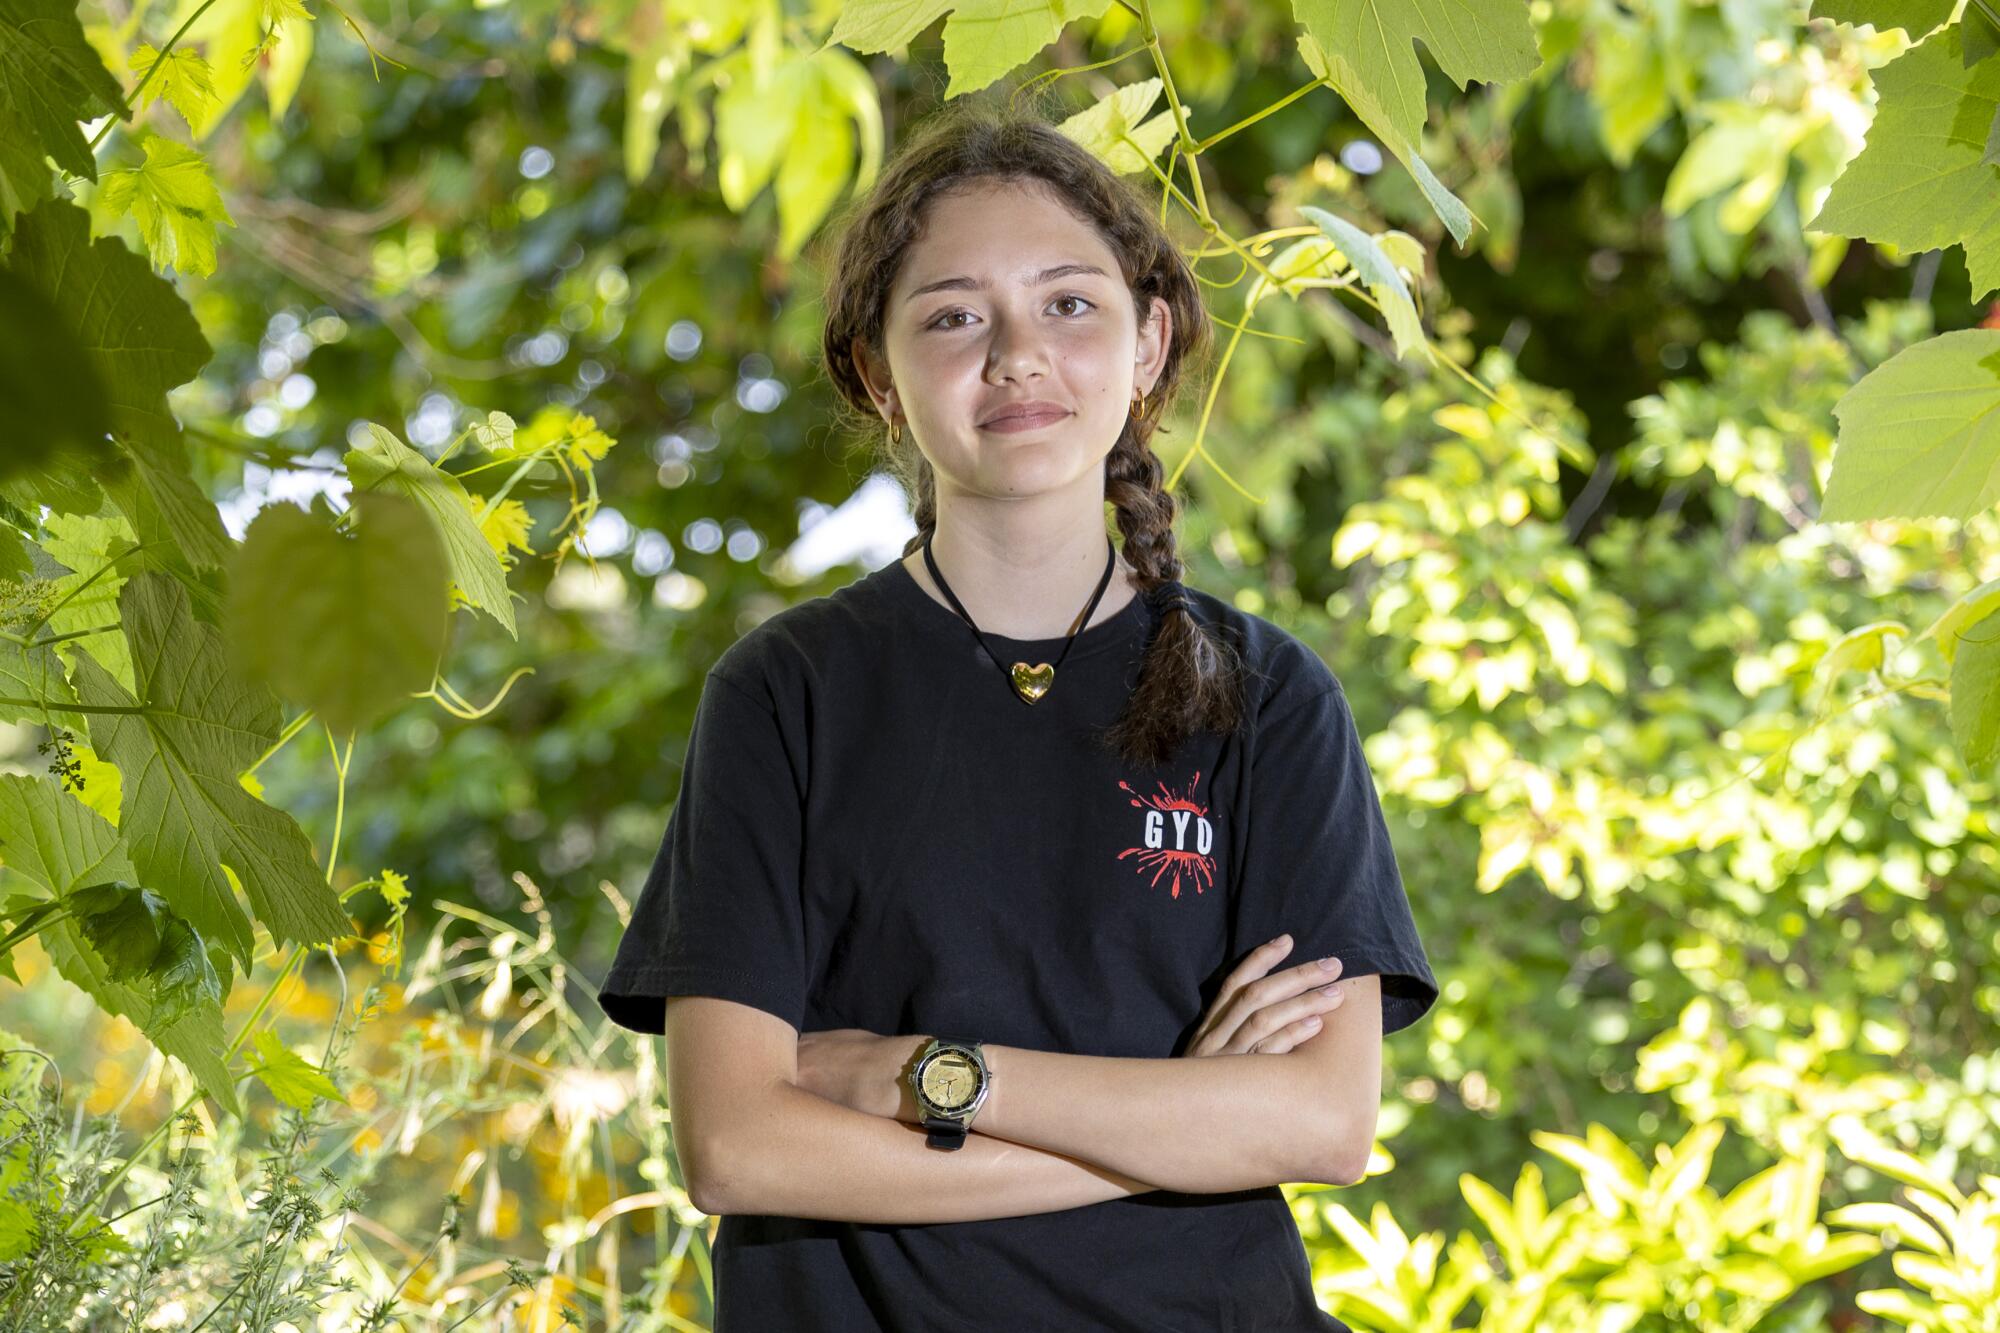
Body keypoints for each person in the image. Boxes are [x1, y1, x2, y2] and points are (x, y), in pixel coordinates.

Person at [598, 100, 1439, 1331]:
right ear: (876, 376)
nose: (1015, 355)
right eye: (951, 316)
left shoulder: (1265, 696)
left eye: (1067, 303)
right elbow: (737, 1148)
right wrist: (1174, 1120)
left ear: (1148, 343)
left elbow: (1320, 1122)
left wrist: (924, 1077)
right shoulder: (784, 692)